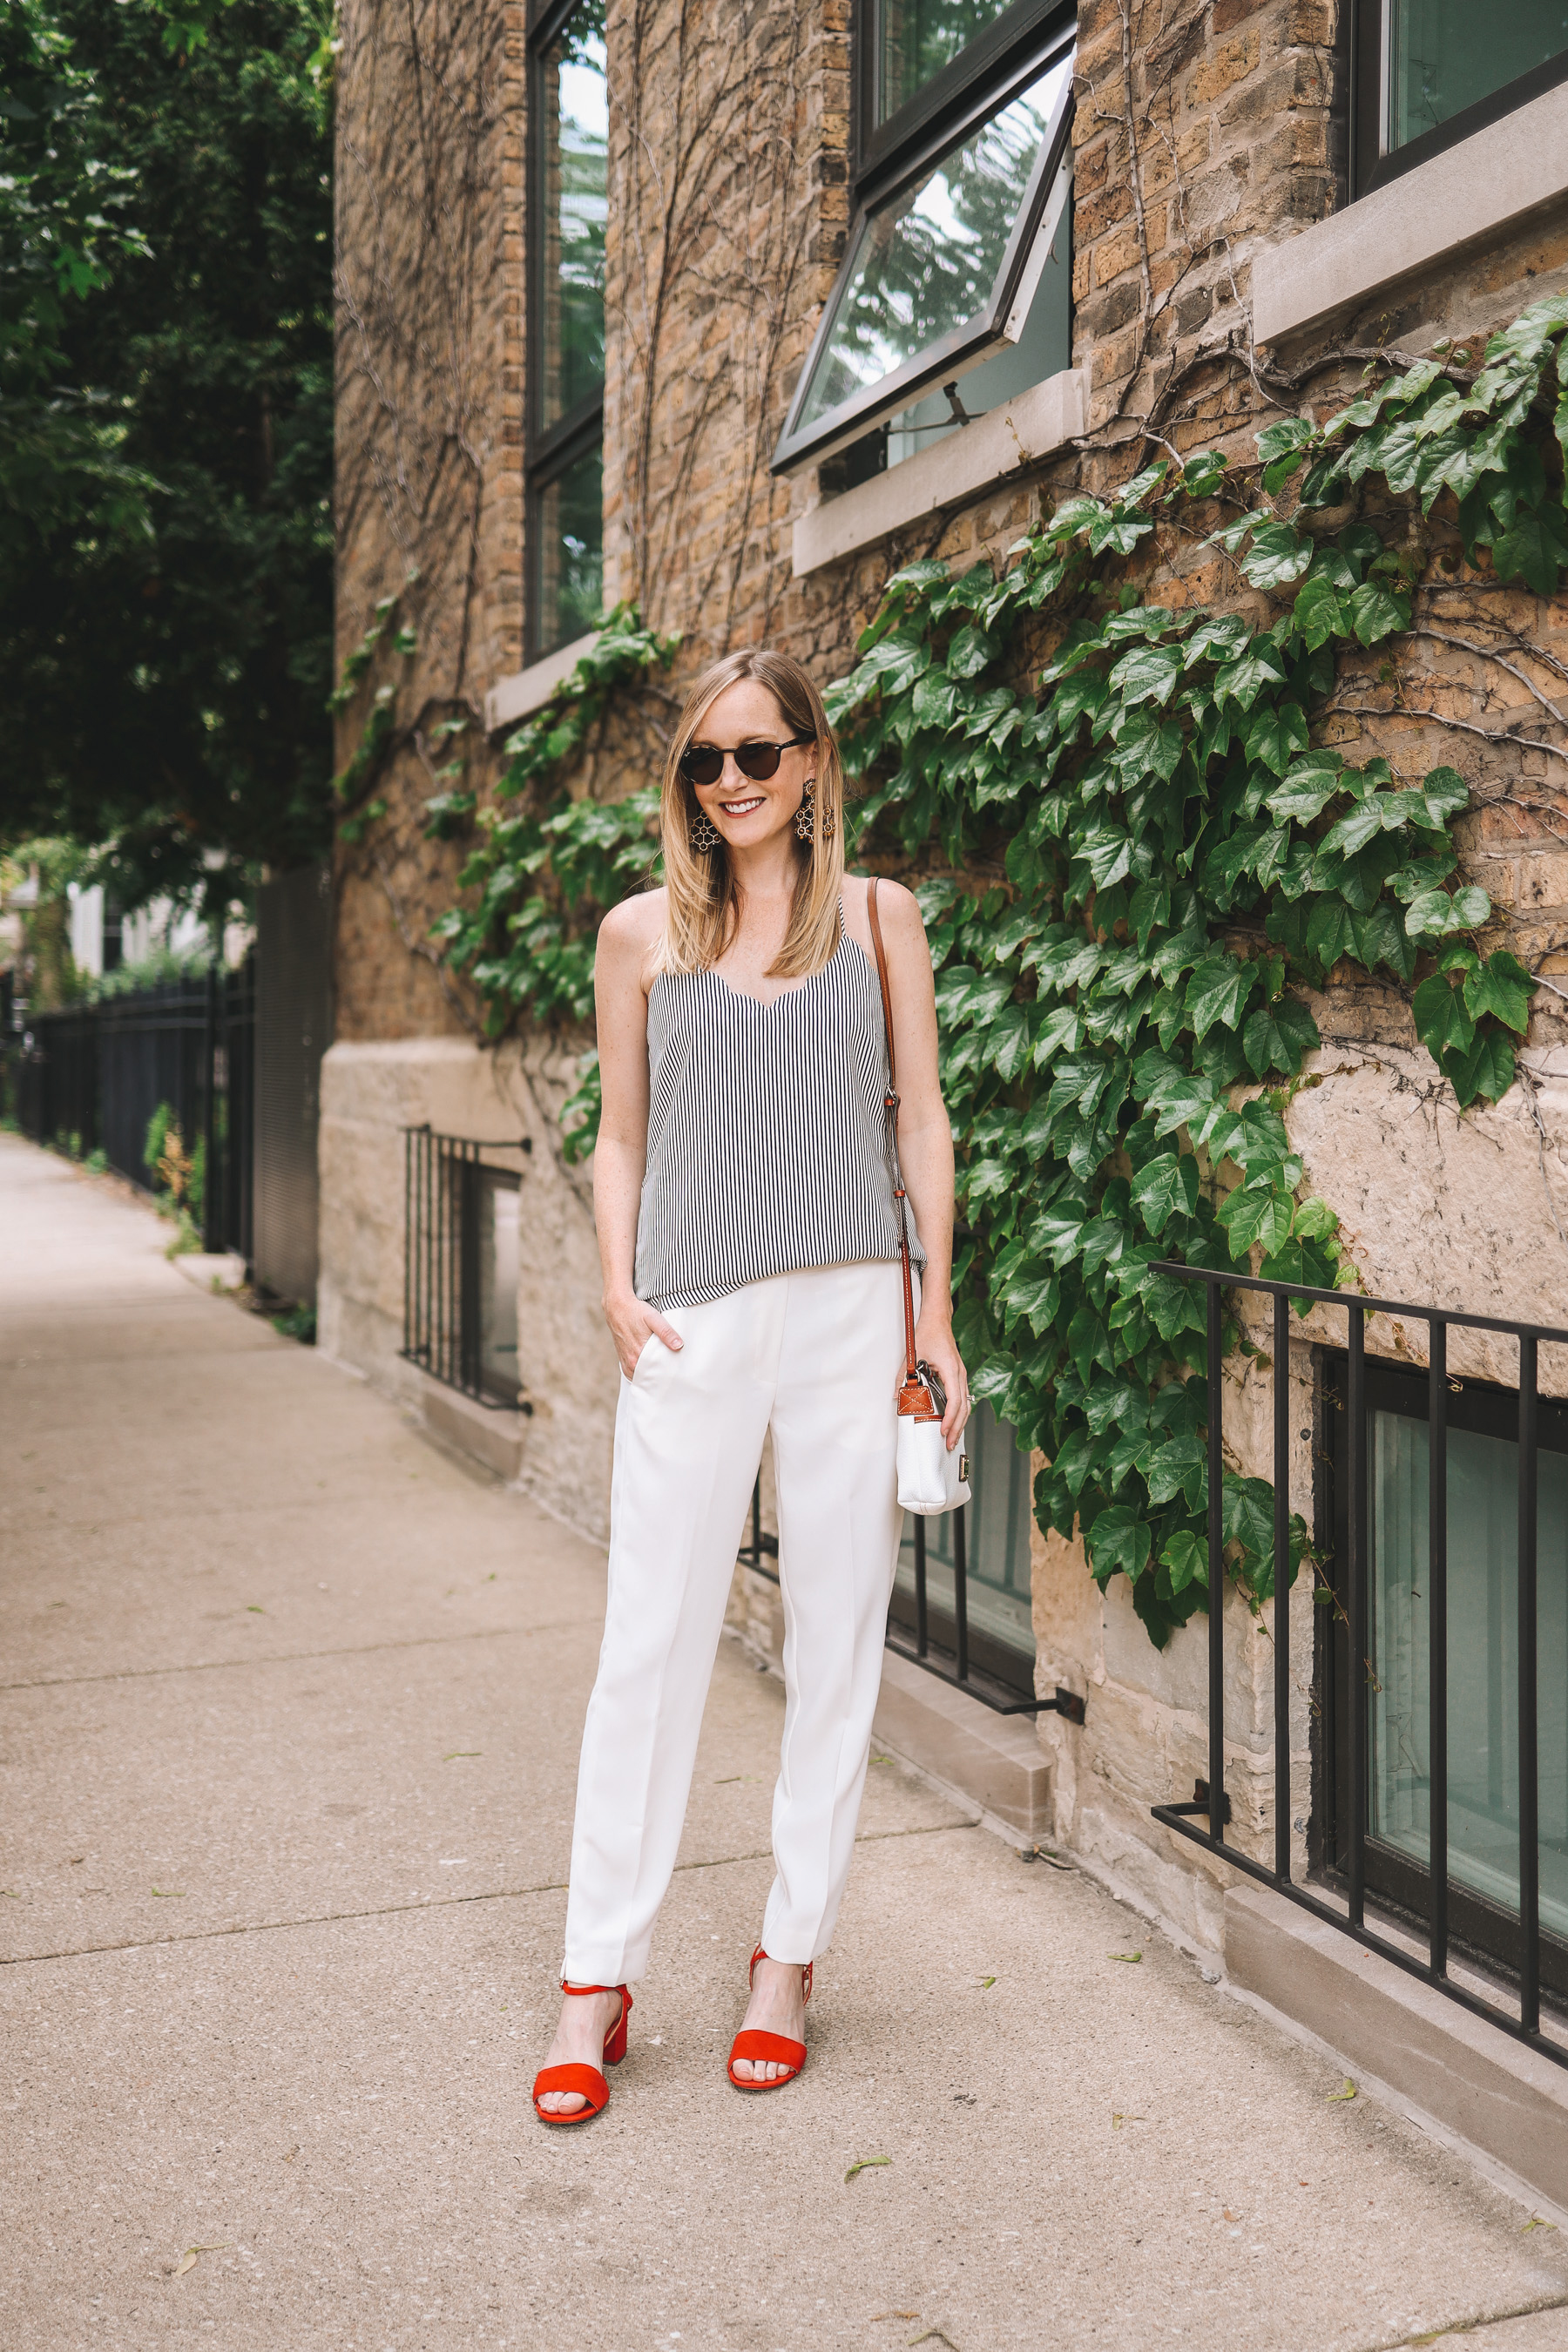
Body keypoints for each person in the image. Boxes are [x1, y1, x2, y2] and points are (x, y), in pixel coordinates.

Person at [531, 646, 968, 2122]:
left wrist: (938, 1322)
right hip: (696, 1321)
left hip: (855, 1310)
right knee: (648, 1642)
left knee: (837, 1636)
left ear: (812, 763)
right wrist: (614, 1283)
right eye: (705, 763)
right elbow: (621, 1138)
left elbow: (923, 1131)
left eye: (758, 756)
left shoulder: (876, 919)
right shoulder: (638, 932)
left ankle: (790, 1957)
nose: (731, 784)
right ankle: (597, 1977)